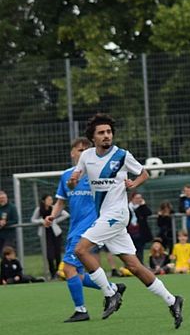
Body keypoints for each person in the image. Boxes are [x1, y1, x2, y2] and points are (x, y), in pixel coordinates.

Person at [66, 113, 183, 328]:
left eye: (109, 132)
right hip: (105, 216)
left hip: (117, 214)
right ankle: (172, 300)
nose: (106, 135)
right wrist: (72, 182)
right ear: (93, 137)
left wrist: (134, 184)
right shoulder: (87, 156)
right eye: (101, 132)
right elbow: (75, 180)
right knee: (134, 266)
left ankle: (110, 293)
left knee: (80, 250)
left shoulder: (122, 155)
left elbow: (144, 173)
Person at [44, 137, 113, 322]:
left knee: (68, 269)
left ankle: (81, 310)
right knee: (79, 275)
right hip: (74, 228)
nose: (83, 153)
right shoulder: (67, 175)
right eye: (80, 150)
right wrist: (52, 216)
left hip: (89, 228)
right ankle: (112, 288)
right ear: (72, 153)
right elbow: (60, 201)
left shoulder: (96, 174)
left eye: (86, 150)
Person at [31, 194, 68, 279]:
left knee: (57, 253)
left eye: (51, 199)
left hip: (55, 233)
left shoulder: (54, 208)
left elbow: (66, 214)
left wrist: (55, 221)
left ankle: (59, 272)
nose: (50, 201)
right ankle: (52, 273)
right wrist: (42, 221)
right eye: (48, 199)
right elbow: (33, 220)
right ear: (43, 201)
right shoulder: (39, 209)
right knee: (49, 255)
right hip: (45, 233)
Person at [127, 192, 153, 263]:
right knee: (131, 250)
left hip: (140, 232)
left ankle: (140, 264)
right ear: (132, 199)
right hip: (130, 232)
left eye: (140, 198)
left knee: (140, 250)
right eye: (137, 198)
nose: (139, 200)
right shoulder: (127, 207)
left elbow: (149, 213)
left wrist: (143, 205)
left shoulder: (142, 208)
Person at [0, 190, 19, 255]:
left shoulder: (12, 207)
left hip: (9, 235)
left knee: (6, 252)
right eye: (0, 198)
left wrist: (6, 223)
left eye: (3, 198)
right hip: (1, 234)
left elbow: (16, 220)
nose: (2, 200)